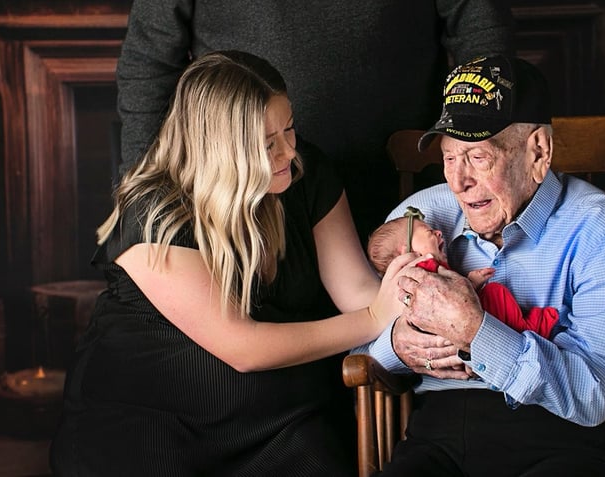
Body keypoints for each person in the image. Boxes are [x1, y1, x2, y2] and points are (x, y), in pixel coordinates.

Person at [50, 50, 412, 477]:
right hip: (151, 419)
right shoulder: (156, 213)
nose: (287, 151)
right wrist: (373, 318)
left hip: (279, 419)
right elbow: (243, 348)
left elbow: (358, 291)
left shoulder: (306, 173)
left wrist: (415, 303)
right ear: (218, 148)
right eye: (266, 144)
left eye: (289, 128)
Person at [354, 54, 605, 476]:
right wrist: (397, 344)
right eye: (449, 158)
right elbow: (361, 353)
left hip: (562, 439)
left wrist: (476, 331)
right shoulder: (415, 221)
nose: (458, 181)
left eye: (477, 157)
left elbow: (596, 393)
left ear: (538, 152)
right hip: (439, 437)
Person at [115, 0, 516, 244]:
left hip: (400, 184)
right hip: (242, 202)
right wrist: (143, 200)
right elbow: (149, 63)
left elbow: (482, 35)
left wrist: (478, 155)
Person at [367, 209, 558, 339]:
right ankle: (529, 328)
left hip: (461, 320)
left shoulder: (425, 272)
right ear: (406, 251)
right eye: (429, 232)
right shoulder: (425, 268)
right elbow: (448, 295)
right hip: (462, 322)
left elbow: (452, 291)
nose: (439, 232)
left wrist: (471, 281)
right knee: (495, 294)